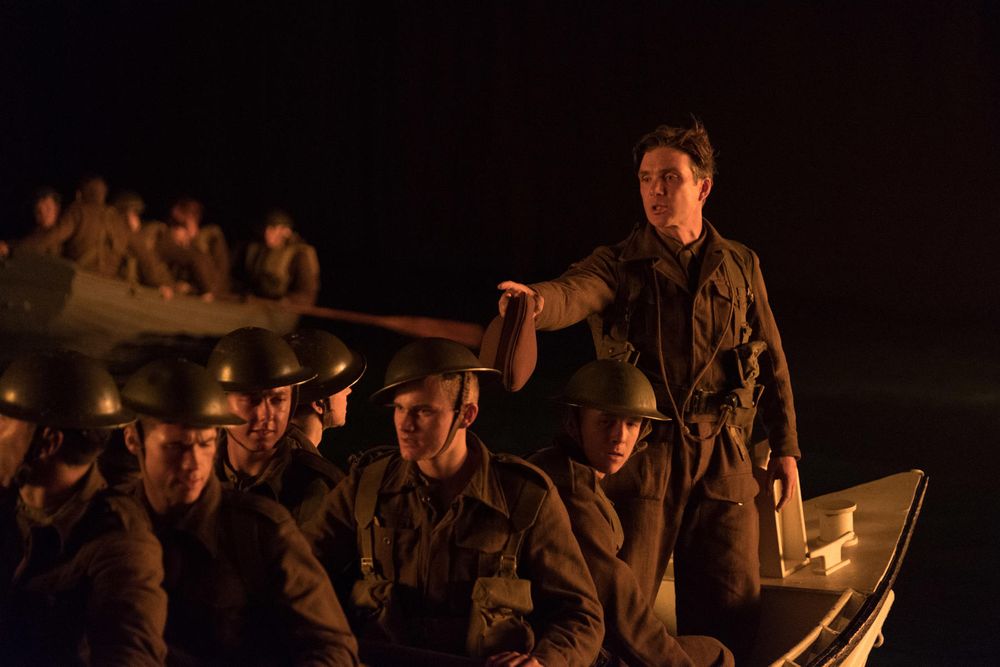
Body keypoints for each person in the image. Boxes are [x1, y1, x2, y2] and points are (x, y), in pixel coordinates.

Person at [497, 119, 800, 660]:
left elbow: (772, 359)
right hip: (644, 454)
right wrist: (534, 303)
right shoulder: (619, 264)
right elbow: (574, 292)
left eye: (669, 178)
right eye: (645, 178)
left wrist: (786, 448)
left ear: (703, 187)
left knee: (732, 607)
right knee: (624, 606)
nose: (655, 190)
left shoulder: (739, 264)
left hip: (723, 452)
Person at [302, 337, 605, 666]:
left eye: (423, 411)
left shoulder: (524, 496)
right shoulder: (367, 487)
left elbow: (581, 615)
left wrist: (543, 662)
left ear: (467, 415)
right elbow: (300, 575)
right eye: (400, 409)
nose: (405, 424)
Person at [120, 358, 359, 665]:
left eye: (205, 444)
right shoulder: (109, 521)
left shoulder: (261, 529)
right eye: (176, 447)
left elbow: (333, 647)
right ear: (133, 439)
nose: (193, 464)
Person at [530, 359, 734, 666]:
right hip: (578, 649)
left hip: (574, 638)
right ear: (574, 423)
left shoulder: (556, 466)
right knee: (717, 655)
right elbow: (618, 601)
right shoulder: (570, 488)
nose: (620, 436)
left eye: (632, 424)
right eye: (606, 421)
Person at [0, 349, 167, 665]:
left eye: (5, 421)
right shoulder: (10, 503)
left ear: (48, 442)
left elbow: (130, 651)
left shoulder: (119, 542)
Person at [207, 326, 344, 525]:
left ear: (292, 402)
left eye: (278, 400)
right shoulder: (193, 474)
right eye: (253, 400)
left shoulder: (321, 489)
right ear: (221, 402)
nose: (266, 415)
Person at [284, 328, 366, 470]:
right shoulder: (304, 469)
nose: (349, 391)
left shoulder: (272, 450)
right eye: (340, 387)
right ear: (319, 403)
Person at [236, 208, 321, 305]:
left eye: (273, 228)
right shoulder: (257, 250)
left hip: (284, 308)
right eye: (265, 228)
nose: (267, 233)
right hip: (256, 305)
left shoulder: (299, 254)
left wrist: (286, 302)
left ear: (286, 231)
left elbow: (307, 293)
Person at [111, 190, 177, 298]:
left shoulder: (111, 227)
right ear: (125, 214)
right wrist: (165, 284)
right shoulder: (128, 235)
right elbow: (147, 262)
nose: (137, 218)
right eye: (134, 213)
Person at [0, 186, 63, 258]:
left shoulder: (59, 235)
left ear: (57, 209)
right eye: (39, 211)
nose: (43, 215)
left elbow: (35, 246)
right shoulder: (35, 233)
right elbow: (25, 242)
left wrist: (10, 248)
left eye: (48, 209)